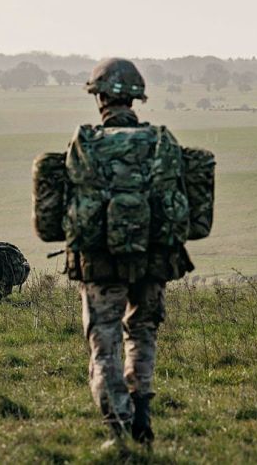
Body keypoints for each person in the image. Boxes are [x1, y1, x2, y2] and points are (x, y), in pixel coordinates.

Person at [65, 59, 195, 448]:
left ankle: (119, 429)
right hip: (154, 258)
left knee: (104, 344)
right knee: (142, 335)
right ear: (136, 98)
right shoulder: (161, 140)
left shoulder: (85, 141)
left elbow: (71, 199)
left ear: (99, 97)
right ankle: (142, 416)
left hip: (100, 262)